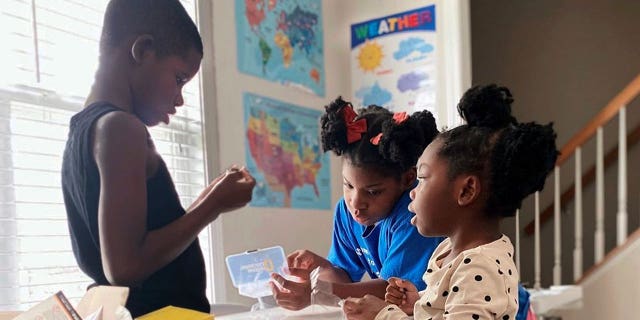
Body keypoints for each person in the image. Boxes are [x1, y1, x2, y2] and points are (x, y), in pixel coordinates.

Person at [61, 0, 256, 316]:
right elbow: (125, 267)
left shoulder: (83, 130)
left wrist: (211, 194)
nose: (179, 98)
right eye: (179, 78)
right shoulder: (121, 128)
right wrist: (214, 205)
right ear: (143, 50)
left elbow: (135, 240)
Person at [342, 84, 558, 320]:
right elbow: (449, 309)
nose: (413, 193)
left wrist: (384, 315)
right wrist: (419, 302)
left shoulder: (480, 268)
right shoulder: (448, 250)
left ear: (466, 191)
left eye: (422, 179)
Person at [270, 97, 444, 310]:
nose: (356, 202)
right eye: (348, 185)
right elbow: (344, 278)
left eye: (372, 192)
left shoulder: (415, 215)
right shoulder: (345, 211)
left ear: (408, 179)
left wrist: (317, 293)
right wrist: (320, 268)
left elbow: (393, 291)